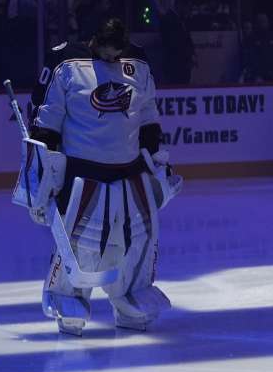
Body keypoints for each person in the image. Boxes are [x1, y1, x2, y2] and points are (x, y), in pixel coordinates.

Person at [17, 19, 178, 335]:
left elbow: (147, 114)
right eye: (107, 53)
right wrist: (39, 174)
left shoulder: (137, 62)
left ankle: (132, 300)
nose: (112, 60)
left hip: (131, 173)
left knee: (139, 240)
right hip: (83, 174)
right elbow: (46, 120)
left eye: (117, 54)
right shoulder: (66, 63)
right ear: (94, 41)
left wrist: (156, 160)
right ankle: (69, 301)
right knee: (82, 245)